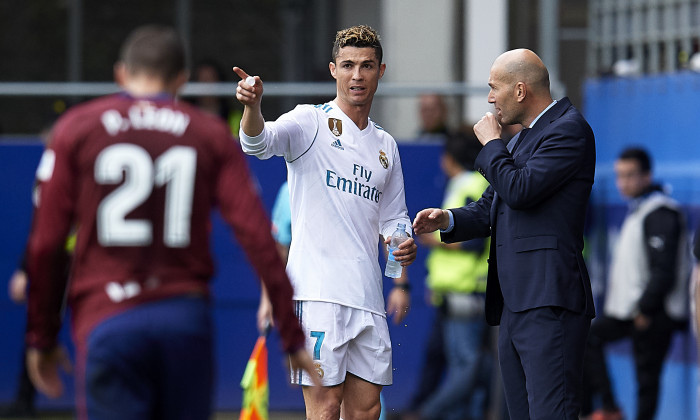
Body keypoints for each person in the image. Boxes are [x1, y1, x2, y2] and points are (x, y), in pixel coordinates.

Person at [23, 24, 319, 420]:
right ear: (181, 80)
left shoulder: (76, 128)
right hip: (183, 321)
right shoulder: (209, 134)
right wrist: (290, 334)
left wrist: (41, 338)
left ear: (120, 74)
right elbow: (257, 238)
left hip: (107, 319)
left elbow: (46, 244)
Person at [233, 24, 417, 420]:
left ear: (380, 71)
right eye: (348, 65)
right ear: (334, 69)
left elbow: (395, 218)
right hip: (317, 296)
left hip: (367, 298)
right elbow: (257, 142)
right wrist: (252, 107)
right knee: (325, 407)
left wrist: (402, 246)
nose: (357, 75)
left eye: (367, 66)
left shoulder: (386, 146)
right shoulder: (309, 122)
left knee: (367, 411)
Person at [413, 48, 596, 419]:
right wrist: (446, 220)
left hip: (549, 301)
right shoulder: (523, 138)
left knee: (552, 413)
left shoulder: (569, 130)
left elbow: (521, 190)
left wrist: (493, 144)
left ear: (521, 90)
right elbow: (488, 209)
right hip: (515, 304)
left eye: (494, 88)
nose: (489, 98)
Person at [580, 147, 690, 420]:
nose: (623, 183)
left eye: (630, 176)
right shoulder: (640, 209)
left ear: (647, 175)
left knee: (647, 381)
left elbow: (663, 270)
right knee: (588, 338)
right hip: (633, 312)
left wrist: (646, 309)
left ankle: (610, 408)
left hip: (654, 314)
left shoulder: (661, 213)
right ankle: (609, 408)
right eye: (619, 176)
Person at [412, 129, 491, 420]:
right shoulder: (465, 183)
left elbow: (474, 240)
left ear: (450, 158)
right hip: (456, 291)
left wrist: (434, 239)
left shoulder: (471, 184)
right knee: (466, 366)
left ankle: (429, 413)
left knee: (469, 367)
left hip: (467, 291)